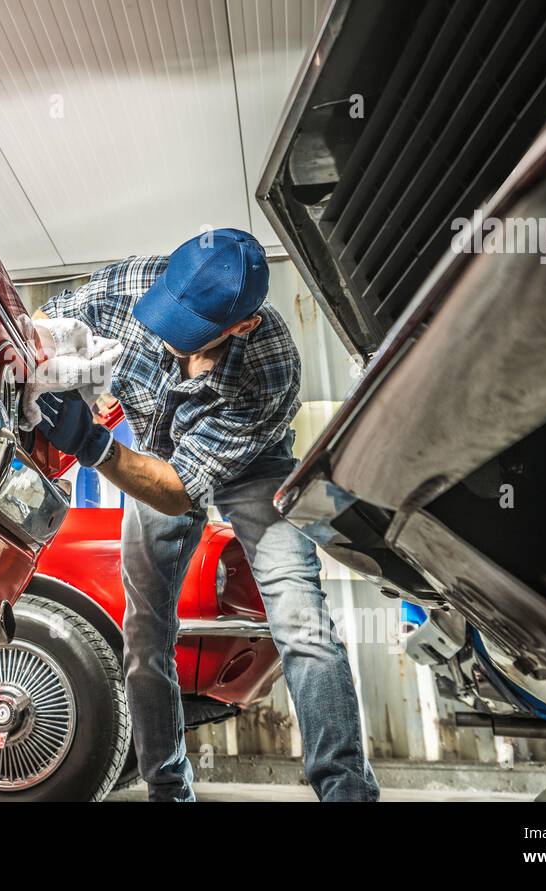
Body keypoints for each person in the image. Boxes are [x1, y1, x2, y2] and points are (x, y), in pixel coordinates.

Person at [33, 228, 379, 802]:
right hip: (156, 456)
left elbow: (176, 492)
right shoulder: (130, 284)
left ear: (242, 324)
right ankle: (168, 792)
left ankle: (346, 794)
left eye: (190, 331)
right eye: (167, 318)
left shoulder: (269, 364)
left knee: (302, 623)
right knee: (145, 634)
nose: (171, 338)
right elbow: (39, 325)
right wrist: (45, 370)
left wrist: (96, 448)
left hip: (252, 468)